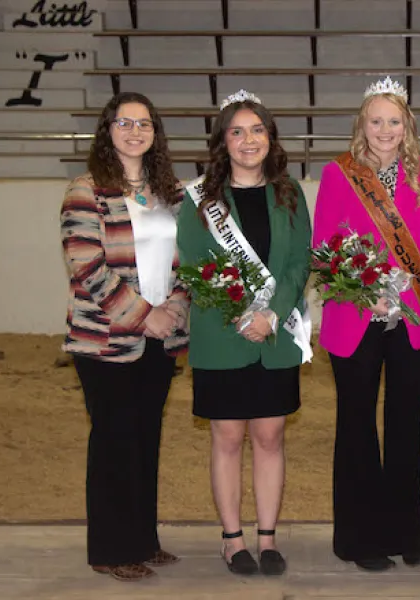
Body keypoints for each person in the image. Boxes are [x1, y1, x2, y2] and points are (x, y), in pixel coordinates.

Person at [312, 76, 420, 572]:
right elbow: (324, 249)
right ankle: (358, 540)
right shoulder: (338, 174)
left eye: (394, 121)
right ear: (362, 125)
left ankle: (405, 534)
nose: (385, 130)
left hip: (415, 320)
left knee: (405, 427)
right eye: (376, 121)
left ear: (407, 126)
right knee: (355, 427)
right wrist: (360, 289)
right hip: (357, 316)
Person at [176, 90, 313, 577]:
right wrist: (243, 313)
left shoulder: (289, 192)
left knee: (271, 435)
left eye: (257, 130)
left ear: (270, 138)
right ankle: (233, 539)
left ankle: (268, 537)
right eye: (237, 131)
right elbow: (195, 266)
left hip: (275, 337)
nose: (248, 139)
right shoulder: (199, 200)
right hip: (222, 334)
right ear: (223, 142)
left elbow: (300, 262)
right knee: (228, 436)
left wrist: (271, 314)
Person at [60, 92, 189, 582]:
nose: (135, 131)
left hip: (161, 337)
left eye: (144, 124)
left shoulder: (169, 192)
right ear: (107, 130)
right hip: (104, 341)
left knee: (146, 439)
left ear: (155, 133)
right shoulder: (85, 191)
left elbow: (190, 261)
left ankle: (142, 540)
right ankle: (110, 549)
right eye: (124, 122)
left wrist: (173, 309)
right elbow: (87, 267)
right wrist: (143, 316)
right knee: (114, 441)